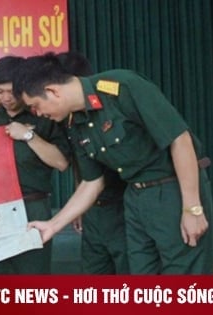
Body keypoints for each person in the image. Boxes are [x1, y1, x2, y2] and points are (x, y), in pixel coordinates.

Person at [14, 52, 213, 274]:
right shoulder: (76, 122)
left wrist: (193, 208)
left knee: (185, 277)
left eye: (36, 106)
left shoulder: (122, 86)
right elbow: (92, 182)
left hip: (173, 191)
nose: (39, 114)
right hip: (135, 199)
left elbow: (179, 139)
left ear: (52, 91)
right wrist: (53, 225)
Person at [0, 55, 70, 274]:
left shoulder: (45, 116)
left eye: (11, 91)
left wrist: (28, 135)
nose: (6, 98)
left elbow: (62, 162)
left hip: (33, 207)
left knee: (32, 278)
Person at [58, 51, 129, 274]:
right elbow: (85, 168)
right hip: (93, 211)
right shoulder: (69, 120)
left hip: (122, 207)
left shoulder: (112, 106)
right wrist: (80, 205)